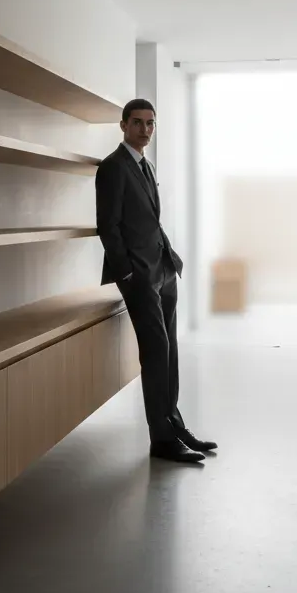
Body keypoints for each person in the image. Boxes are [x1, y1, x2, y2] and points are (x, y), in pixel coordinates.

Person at [95, 98, 217, 463]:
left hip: (162, 269)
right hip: (139, 275)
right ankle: (162, 440)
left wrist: (167, 259)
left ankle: (175, 425)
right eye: (137, 122)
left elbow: (149, 219)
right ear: (123, 125)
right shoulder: (113, 167)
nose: (145, 129)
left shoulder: (145, 165)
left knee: (169, 352)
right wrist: (127, 273)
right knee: (155, 353)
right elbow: (108, 226)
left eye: (150, 123)